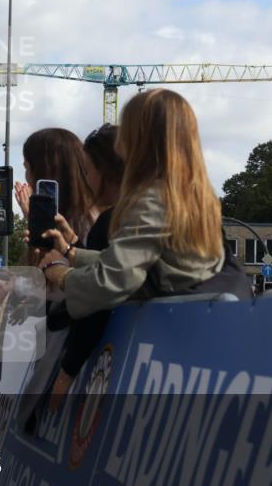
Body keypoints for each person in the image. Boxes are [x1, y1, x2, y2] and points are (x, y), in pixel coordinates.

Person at [38, 89, 225, 317]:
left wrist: (60, 274)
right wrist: (72, 254)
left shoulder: (152, 199)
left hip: (167, 325)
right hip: (196, 318)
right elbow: (150, 266)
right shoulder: (198, 196)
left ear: (139, 139)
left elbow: (115, 279)